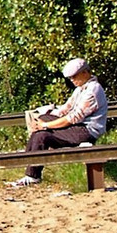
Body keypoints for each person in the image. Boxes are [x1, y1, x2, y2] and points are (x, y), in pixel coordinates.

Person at [11, 58, 109, 187]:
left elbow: (73, 118)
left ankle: (32, 175)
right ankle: (30, 172)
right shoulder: (81, 89)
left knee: (42, 134)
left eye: (74, 77)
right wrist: (46, 117)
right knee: (41, 127)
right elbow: (66, 109)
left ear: (85, 73)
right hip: (76, 128)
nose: (72, 80)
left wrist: (45, 125)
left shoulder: (92, 91)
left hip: (86, 131)